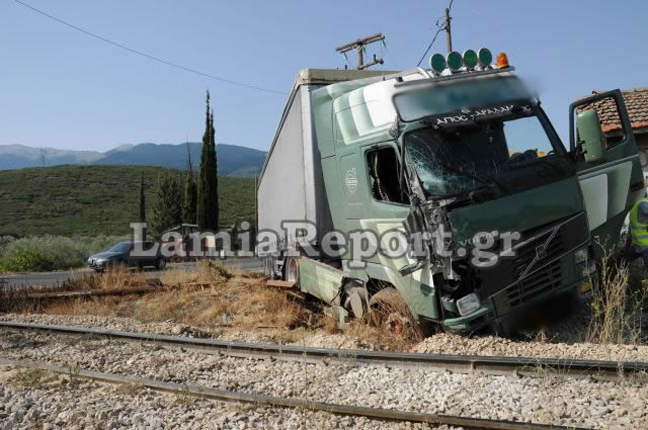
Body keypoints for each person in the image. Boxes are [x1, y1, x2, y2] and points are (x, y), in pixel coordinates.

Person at [627, 198, 648, 266]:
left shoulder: (641, 203)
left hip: (638, 244)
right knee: (624, 261)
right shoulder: (643, 204)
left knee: (624, 261)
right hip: (644, 245)